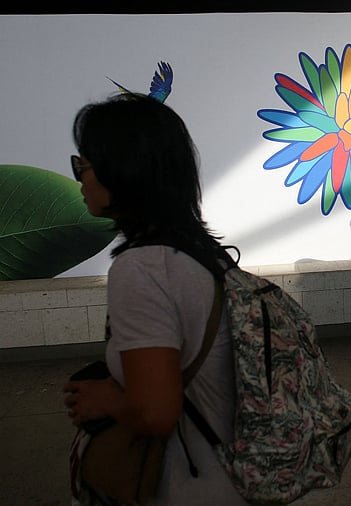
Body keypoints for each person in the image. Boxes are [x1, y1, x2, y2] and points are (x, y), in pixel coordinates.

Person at [62, 94, 247, 504]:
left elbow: (154, 413)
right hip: (228, 479)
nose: (80, 179)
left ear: (121, 170)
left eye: (83, 166)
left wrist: (106, 398)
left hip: (183, 486)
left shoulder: (142, 269)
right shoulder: (202, 253)